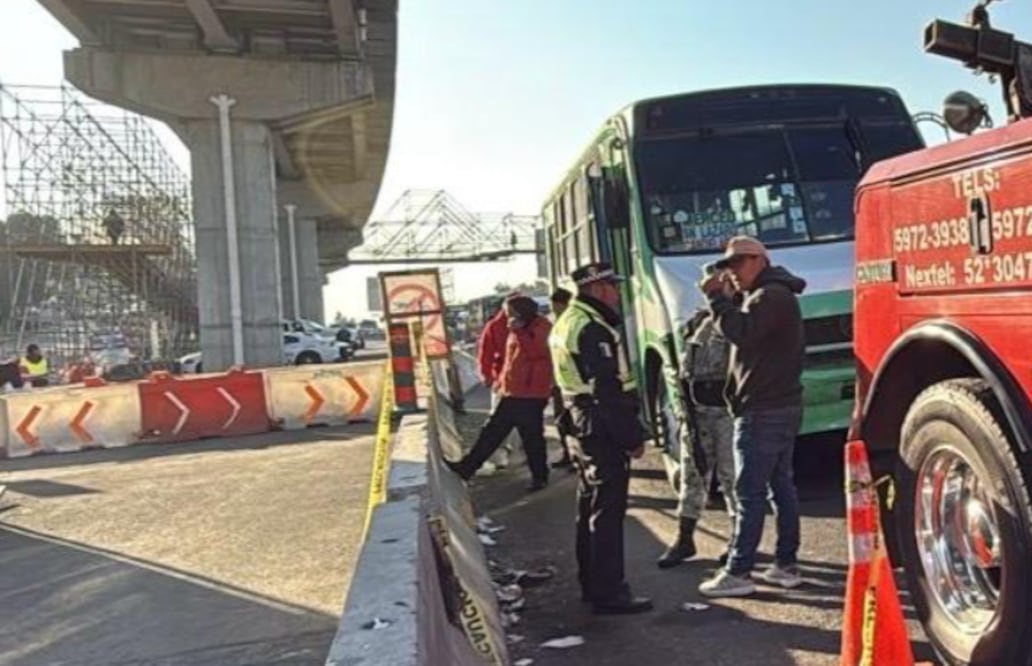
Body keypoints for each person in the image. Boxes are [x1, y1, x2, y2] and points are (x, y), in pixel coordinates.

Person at [696, 236, 807, 597]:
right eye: (728, 265)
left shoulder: (770, 296)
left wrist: (717, 300)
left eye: (739, 263)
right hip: (779, 403)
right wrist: (730, 300)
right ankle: (785, 565)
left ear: (760, 259)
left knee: (750, 492)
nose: (733, 271)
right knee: (780, 486)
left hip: (764, 407)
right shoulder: (771, 294)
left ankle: (740, 570)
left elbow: (744, 333)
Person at [550, 261, 652, 615]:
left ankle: (592, 585)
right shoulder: (593, 328)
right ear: (596, 289)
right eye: (612, 286)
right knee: (608, 511)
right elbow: (607, 390)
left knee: (589, 505)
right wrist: (632, 437)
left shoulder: (565, 322)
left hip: (578, 421)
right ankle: (610, 591)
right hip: (600, 423)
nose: (617, 292)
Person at [657, 271, 736, 568]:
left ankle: (739, 539)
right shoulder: (696, 322)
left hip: (726, 410)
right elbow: (683, 368)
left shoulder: (736, 318)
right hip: (696, 411)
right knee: (692, 475)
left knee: (731, 477)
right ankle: (684, 537)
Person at [447, 296, 553, 490]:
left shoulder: (540, 328)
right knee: (493, 432)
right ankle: (467, 467)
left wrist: (519, 332)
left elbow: (536, 352)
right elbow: (507, 361)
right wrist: (500, 382)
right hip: (513, 391)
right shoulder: (508, 327)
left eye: (510, 313)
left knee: (531, 438)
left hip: (530, 393)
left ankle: (540, 476)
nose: (507, 317)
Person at [475, 293, 522, 468]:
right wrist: (487, 376)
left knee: (500, 421)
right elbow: (485, 354)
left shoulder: (497, 326)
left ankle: (506, 454)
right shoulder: (496, 326)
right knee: (502, 421)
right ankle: (505, 454)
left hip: (514, 382)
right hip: (505, 382)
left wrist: (486, 376)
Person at [548, 287, 574, 469]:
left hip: (571, 384)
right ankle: (568, 453)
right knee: (562, 421)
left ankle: (575, 456)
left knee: (570, 422)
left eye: (555, 305)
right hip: (559, 382)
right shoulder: (555, 324)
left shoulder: (570, 323)